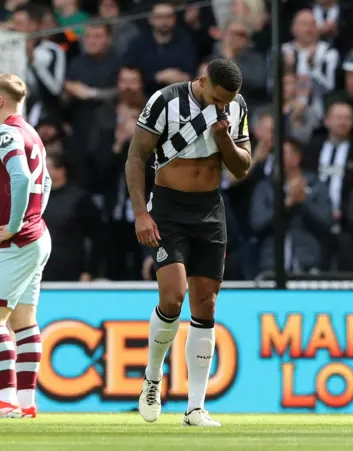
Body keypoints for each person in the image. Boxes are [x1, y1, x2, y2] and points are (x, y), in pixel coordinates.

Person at [125, 59, 251, 427]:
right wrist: (140, 213)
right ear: (202, 82)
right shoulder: (165, 101)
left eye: (229, 100)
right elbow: (137, 156)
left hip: (209, 209)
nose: (223, 105)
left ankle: (195, 407)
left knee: (206, 304)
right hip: (168, 207)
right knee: (172, 296)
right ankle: (152, 377)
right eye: (217, 97)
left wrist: (224, 135)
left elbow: (242, 168)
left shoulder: (236, 107)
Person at [0, 74, 52, 419]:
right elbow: (44, 183)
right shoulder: (33, 133)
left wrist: (15, 225)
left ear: (0, 100)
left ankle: (5, 398)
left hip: (16, 242)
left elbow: (21, 177)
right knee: (24, 320)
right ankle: (27, 403)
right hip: (39, 236)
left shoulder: (5, 133)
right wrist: (33, 217)